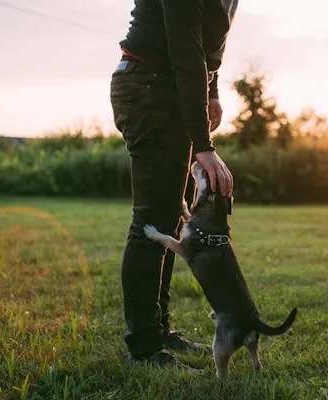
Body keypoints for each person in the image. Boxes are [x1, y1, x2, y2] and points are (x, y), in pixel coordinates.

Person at [109, 0, 239, 371]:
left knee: (170, 219)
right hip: (148, 84)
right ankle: (144, 348)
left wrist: (212, 90)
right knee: (152, 219)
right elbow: (185, 48)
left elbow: (210, 41)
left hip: (169, 85)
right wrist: (204, 146)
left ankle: (159, 331)